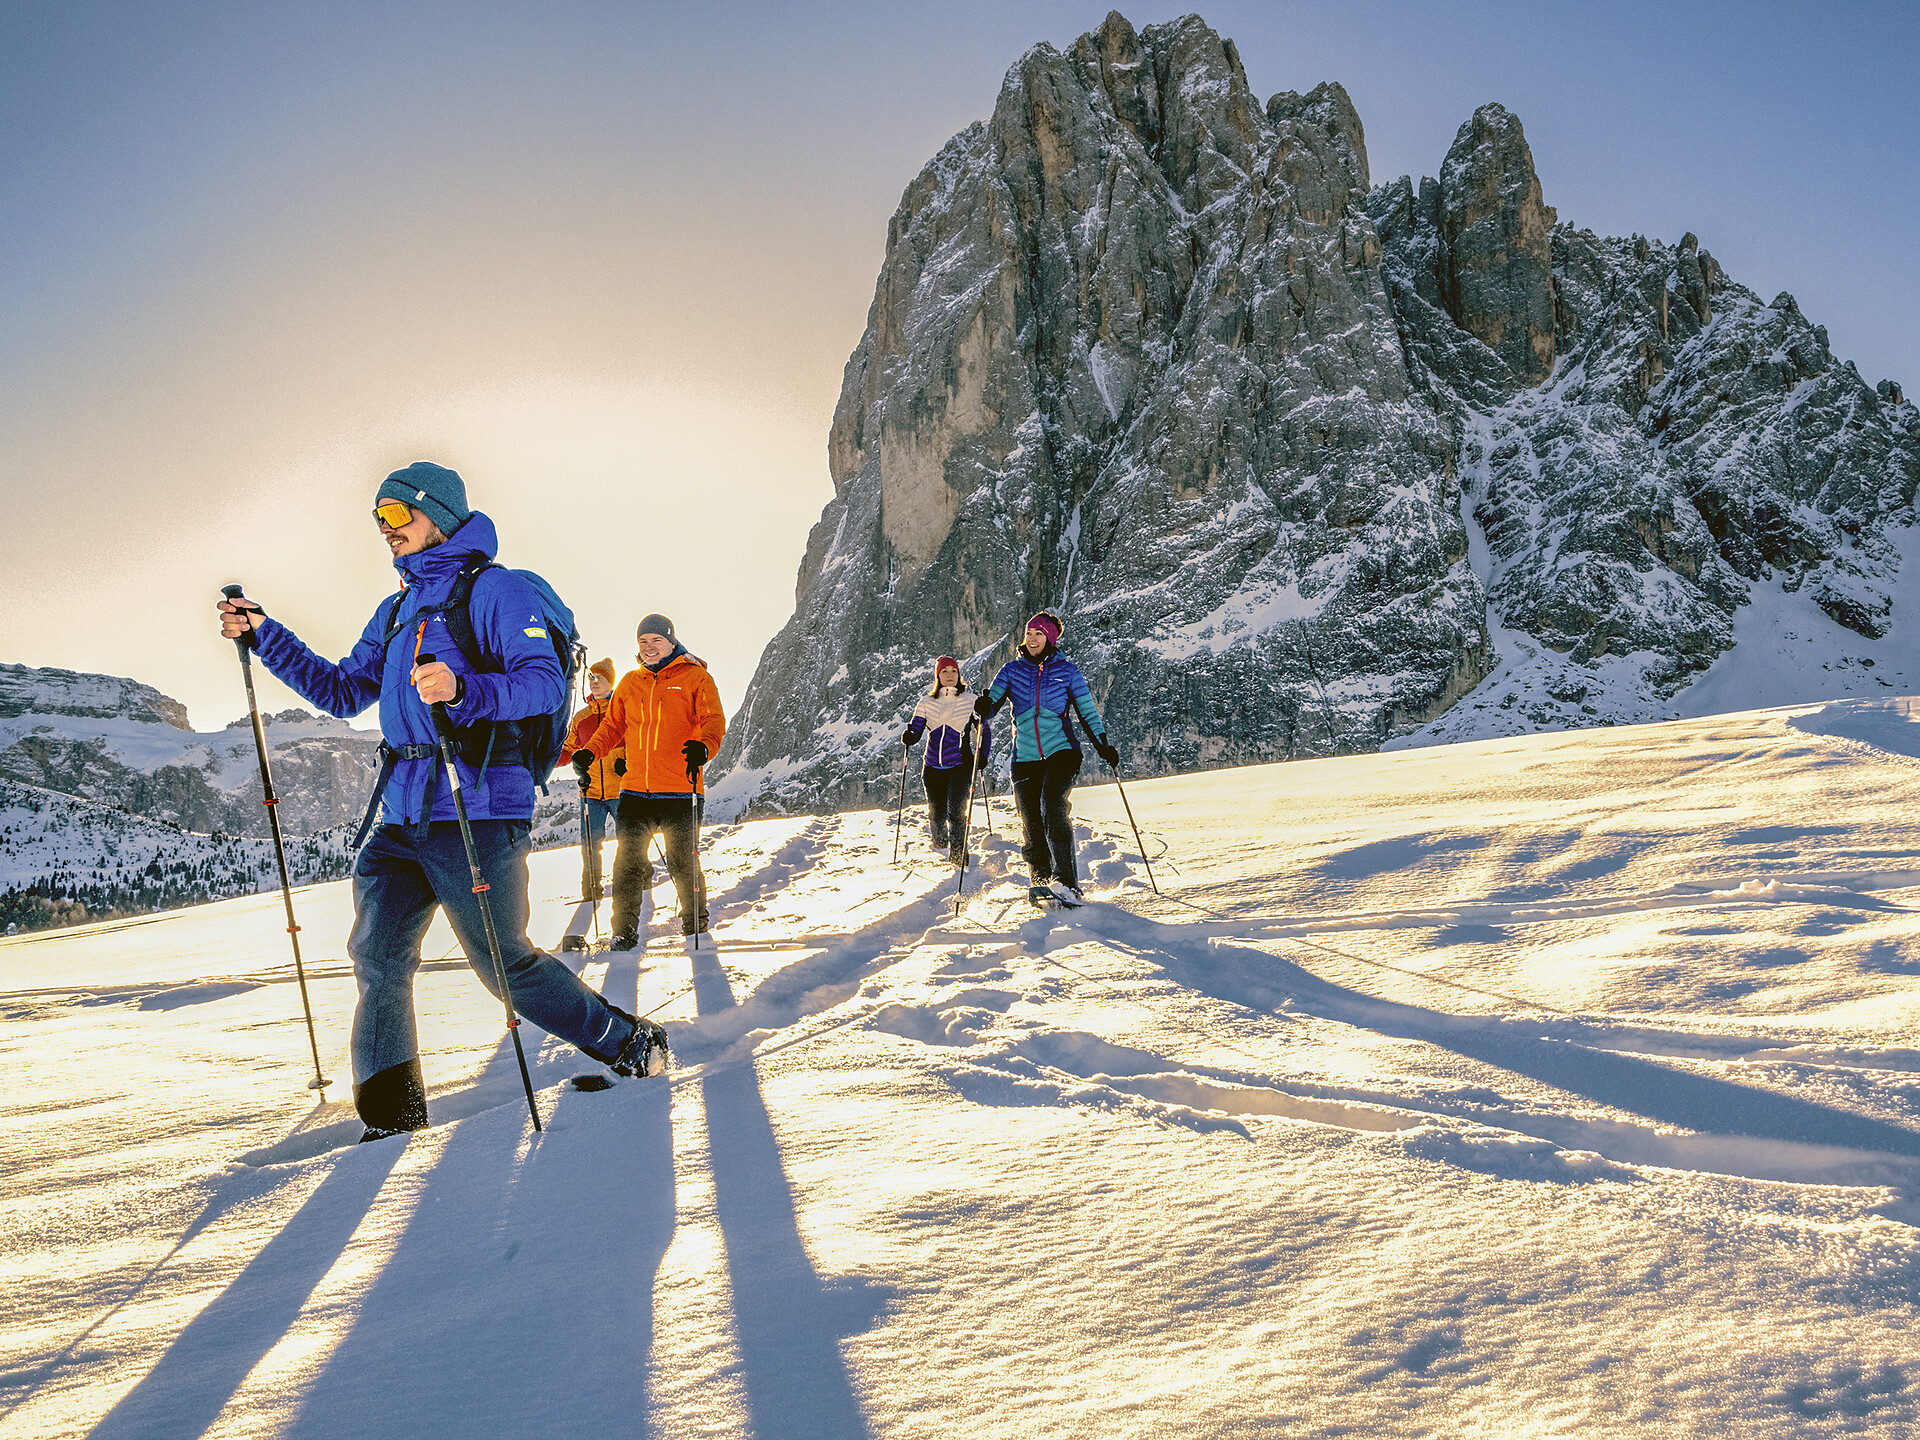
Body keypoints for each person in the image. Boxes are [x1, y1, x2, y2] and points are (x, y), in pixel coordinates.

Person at [217, 461, 667, 1139]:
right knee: (378, 959)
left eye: (398, 516)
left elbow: (542, 682)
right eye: (379, 519)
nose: (386, 530)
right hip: (402, 813)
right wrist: (263, 634)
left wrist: (463, 689)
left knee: (502, 964)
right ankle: (389, 1120)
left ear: (440, 516)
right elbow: (341, 692)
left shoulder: (497, 591)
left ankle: (623, 1038)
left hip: (476, 807)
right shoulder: (397, 610)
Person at [574, 613, 726, 949]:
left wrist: (704, 747)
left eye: (656, 640)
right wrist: (590, 752)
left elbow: (713, 719)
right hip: (634, 792)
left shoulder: (696, 678)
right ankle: (623, 932)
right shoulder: (630, 682)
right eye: (643, 642)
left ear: (671, 642)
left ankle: (695, 925)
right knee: (627, 864)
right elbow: (613, 727)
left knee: (682, 860)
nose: (649, 647)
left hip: (679, 788)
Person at [975, 611, 1119, 904]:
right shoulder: (1011, 670)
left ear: (1050, 638)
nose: (1031, 640)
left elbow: (1087, 712)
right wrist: (984, 705)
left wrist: (1103, 745)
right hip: (1025, 756)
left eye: (1038, 634)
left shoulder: (1068, 672)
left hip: (1062, 751)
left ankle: (1067, 882)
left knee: (1052, 805)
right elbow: (992, 704)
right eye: (1028, 634)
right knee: (1030, 819)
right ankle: (1041, 881)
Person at [903, 655, 989, 867]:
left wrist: (983, 755)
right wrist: (911, 737)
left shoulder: (971, 700)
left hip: (961, 765)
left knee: (956, 812)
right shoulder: (926, 702)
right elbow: (916, 727)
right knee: (937, 814)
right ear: (937, 676)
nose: (950, 675)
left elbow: (983, 729)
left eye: (953, 671)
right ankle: (940, 853)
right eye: (944, 671)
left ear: (959, 674)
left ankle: (959, 860)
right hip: (932, 767)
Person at [556, 657, 626, 902]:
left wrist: (627, 761)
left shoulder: (621, 712)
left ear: (611, 682)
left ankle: (634, 880)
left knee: (629, 841)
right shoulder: (581, 718)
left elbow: (639, 743)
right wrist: (547, 761)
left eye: (600, 678)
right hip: (591, 791)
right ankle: (591, 889)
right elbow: (568, 749)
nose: (594, 683)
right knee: (590, 845)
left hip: (622, 791)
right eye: (591, 678)